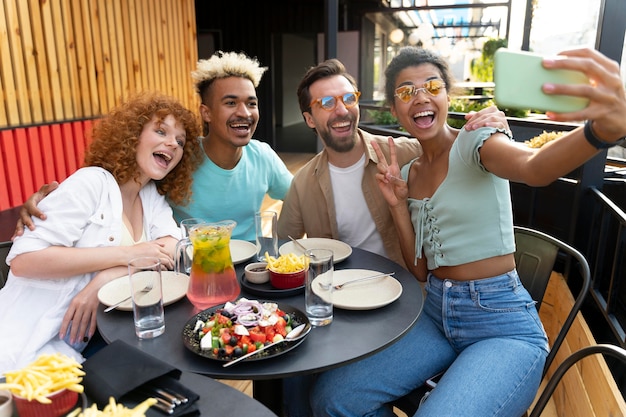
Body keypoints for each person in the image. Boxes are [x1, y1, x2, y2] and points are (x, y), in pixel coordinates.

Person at [310, 46, 626, 417]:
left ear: (448, 95)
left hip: (502, 326)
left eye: (432, 85)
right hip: (434, 315)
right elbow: (421, 271)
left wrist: (599, 132)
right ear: (395, 111)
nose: (421, 97)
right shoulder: (410, 173)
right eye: (406, 92)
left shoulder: (477, 142)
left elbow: (534, 167)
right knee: (334, 398)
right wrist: (397, 204)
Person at [0, 92, 202, 373]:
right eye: (160, 131)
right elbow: (23, 261)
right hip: (23, 341)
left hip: (78, 343)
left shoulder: (150, 195)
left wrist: (106, 277)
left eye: (180, 141)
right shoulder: (91, 182)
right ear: (133, 135)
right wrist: (128, 254)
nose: (172, 144)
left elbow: (172, 248)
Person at [13, 51, 293, 242]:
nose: (244, 112)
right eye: (231, 103)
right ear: (206, 113)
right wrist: (46, 201)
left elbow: (300, 197)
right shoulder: (180, 156)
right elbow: (115, 181)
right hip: (188, 272)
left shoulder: (263, 157)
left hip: (250, 273)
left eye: (251, 103)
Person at [277, 59, 505, 268]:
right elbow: (282, 251)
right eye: (326, 103)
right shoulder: (302, 183)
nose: (342, 110)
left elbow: (460, 149)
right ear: (309, 119)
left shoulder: (407, 153)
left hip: (409, 292)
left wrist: (493, 129)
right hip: (340, 297)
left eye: (348, 99)